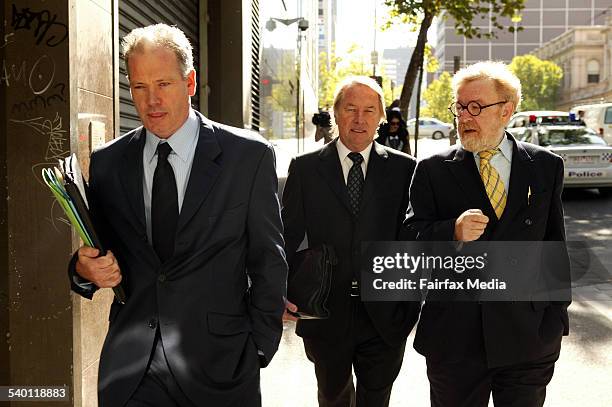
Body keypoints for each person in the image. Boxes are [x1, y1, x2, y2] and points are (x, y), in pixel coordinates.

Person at [68, 24, 287, 407]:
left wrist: (258, 350)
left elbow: (269, 260)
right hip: (133, 371)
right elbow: (98, 252)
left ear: (190, 82)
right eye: (139, 87)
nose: (151, 100)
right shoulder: (107, 163)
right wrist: (82, 271)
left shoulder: (248, 157)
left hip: (221, 367)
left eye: (163, 84)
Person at [404, 61, 570, 407]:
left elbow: (554, 243)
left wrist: (555, 318)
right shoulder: (432, 170)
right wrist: (451, 231)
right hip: (455, 340)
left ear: (506, 110)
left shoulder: (545, 166)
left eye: (476, 107)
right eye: (460, 106)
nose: (464, 116)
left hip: (527, 338)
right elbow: (411, 241)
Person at [282, 76, 420, 407]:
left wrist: (410, 302)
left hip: (386, 314)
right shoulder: (305, 168)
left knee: (377, 399)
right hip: (325, 313)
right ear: (336, 113)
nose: (360, 119)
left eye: (370, 111)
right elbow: (286, 235)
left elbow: (415, 239)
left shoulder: (406, 170)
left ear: (381, 118)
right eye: (351, 109)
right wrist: (280, 292)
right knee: (332, 397)